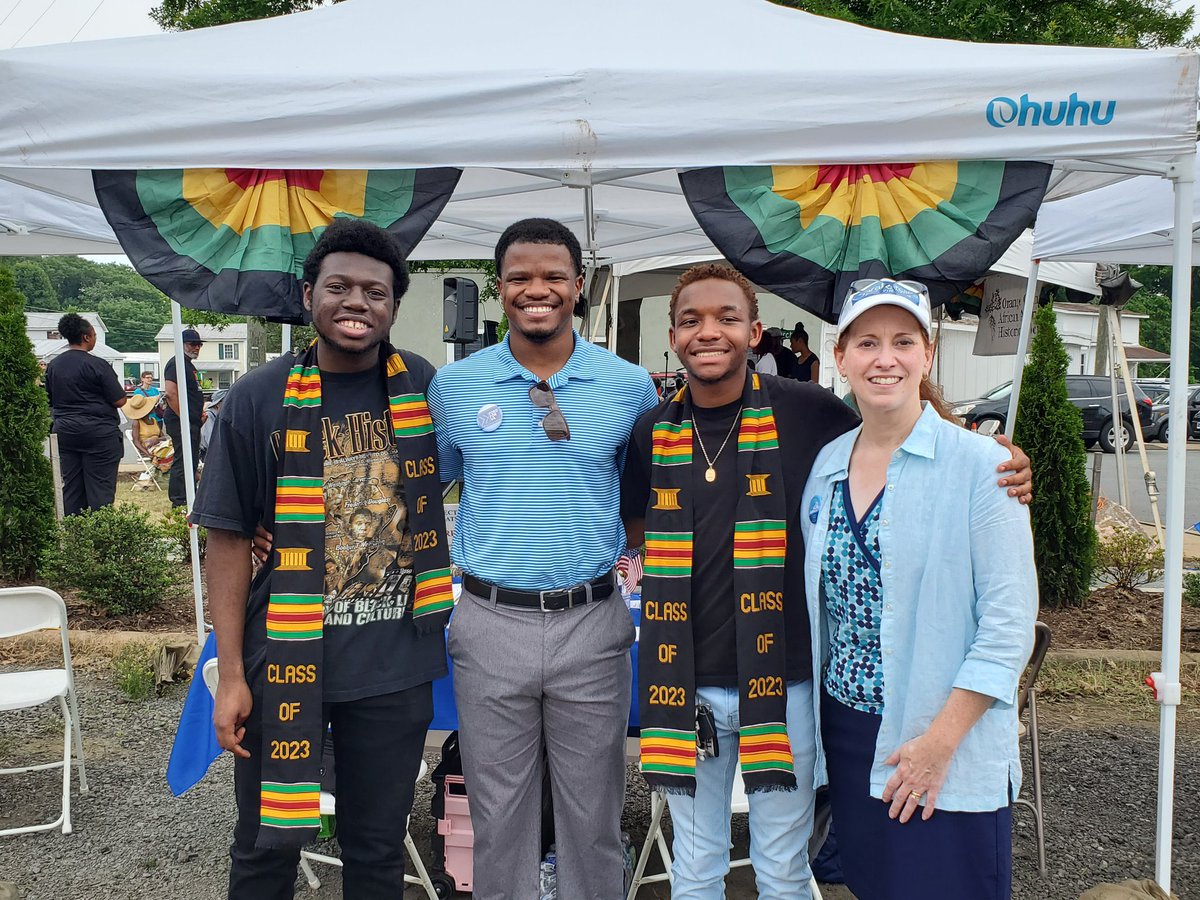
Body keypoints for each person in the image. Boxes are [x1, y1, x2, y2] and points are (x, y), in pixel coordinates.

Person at [621, 266, 1031, 900]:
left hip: (785, 682)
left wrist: (990, 454)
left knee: (784, 866)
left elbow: (894, 418)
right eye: (691, 320)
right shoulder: (653, 431)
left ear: (755, 331)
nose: (710, 332)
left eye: (729, 318)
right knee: (696, 866)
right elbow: (640, 527)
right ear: (672, 335)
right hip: (688, 684)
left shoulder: (809, 411)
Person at [193, 218, 453, 900]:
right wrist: (230, 675)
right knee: (265, 844)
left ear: (393, 305)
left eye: (375, 290)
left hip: (393, 662)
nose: (356, 302)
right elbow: (225, 536)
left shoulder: (422, 385)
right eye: (338, 286)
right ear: (309, 295)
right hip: (282, 653)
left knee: (375, 848)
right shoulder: (258, 396)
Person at [426, 218, 659, 900]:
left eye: (554, 276)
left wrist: (638, 551)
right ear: (500, 289)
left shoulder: (627, 387)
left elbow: (648, 494)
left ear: (579, 287)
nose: (538, 290)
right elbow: (413, 491)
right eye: (521, 278)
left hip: (591, 620)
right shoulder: (457, 387)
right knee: (500, 818)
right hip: (489, 619)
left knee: (593, 816)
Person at [800, 278, 1037, 900]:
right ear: (840, 356)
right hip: (849, 729)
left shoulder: (982, 468)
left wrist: (939, 743)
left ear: (927, 355)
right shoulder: (825, 467)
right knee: (876, 885)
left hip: (940, 730)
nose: (886, 359)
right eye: (868, 343)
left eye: (903, 342)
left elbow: (1009, 625)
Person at [43, 313, 127, 516]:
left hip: (65, 431)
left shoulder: (54, 365)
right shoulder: (97, 364)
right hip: (99, 433)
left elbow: (50, 399)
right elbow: (120, 400)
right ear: (86, 337)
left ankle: (72, 537)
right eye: (94, 334)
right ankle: (99, 539)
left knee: (72, 487)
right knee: (100, 489)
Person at [164, 328, 207, 507]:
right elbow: (170, 394)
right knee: (183, 459)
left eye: (198, 345)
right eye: (192, 344)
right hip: (180, 420)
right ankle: (179, 500)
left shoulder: (188, 365)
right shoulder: (176, 363)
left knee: (191, 459)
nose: (196, 348)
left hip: (192, 419)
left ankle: (189, 495)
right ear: (181, 344)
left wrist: (198, 414)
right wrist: (185, 418)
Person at [124, 392, 172, 470]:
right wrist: (148, 454)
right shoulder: (137, 423)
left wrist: (157, 439)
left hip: (160, 445)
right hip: (147, 449)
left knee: (176, 448)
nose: (153, 407)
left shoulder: (154, 420)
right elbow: (136, 441)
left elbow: (163, 437)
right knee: (170, 452)